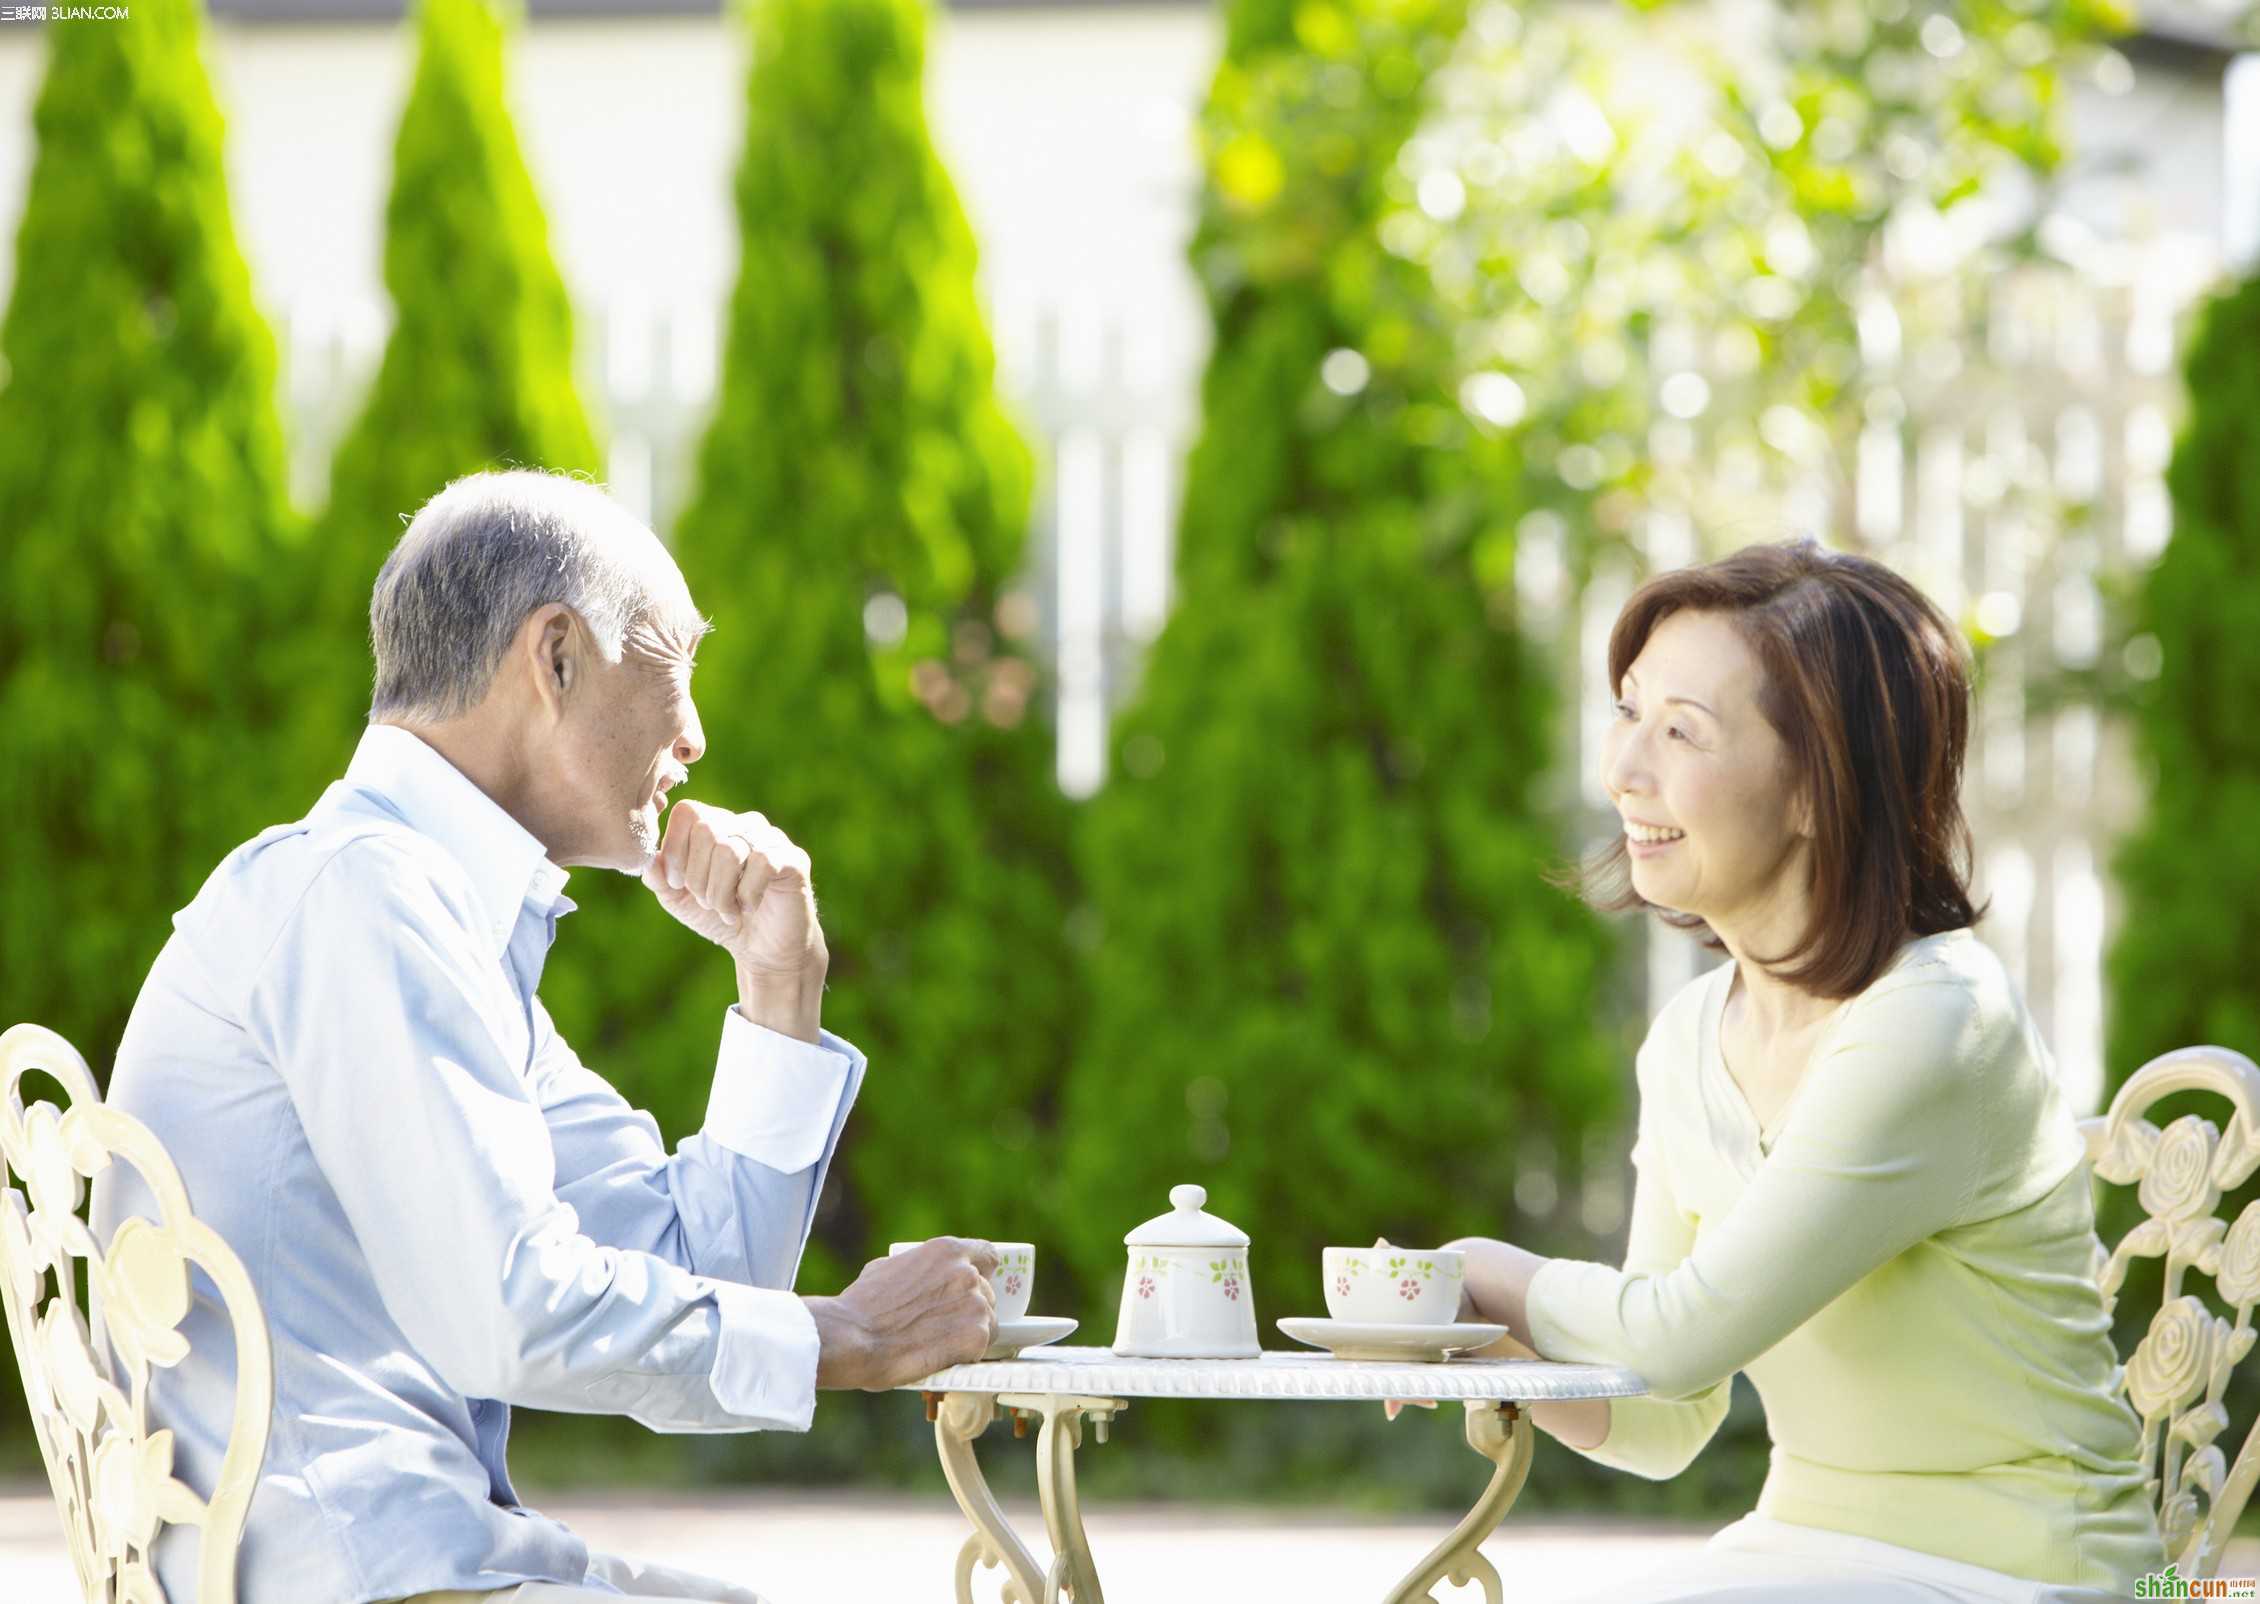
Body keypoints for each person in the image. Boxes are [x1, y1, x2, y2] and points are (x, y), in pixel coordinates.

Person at [89, 469, 999, 1604]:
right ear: (555, 657)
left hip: (422, 1557)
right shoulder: (359, 895)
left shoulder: (429, 915)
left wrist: (779, 987)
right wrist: (846, 1335)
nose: (696, 737)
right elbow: (507, 1309)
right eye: (672, 668)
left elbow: (704, 1272)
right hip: (357, 1576)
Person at [1424, 538, 2164, 1601]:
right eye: (1630, 712)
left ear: (1821, 784)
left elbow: (1680, 1334)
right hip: (1800, 1554)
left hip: (2040, 1573)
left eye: (1682, 730)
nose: (1623, 769)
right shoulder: (1687, 1038)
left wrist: (1485, 1267)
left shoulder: (1938, 1021)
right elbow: (1657, 1414)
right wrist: (1477, 1335)